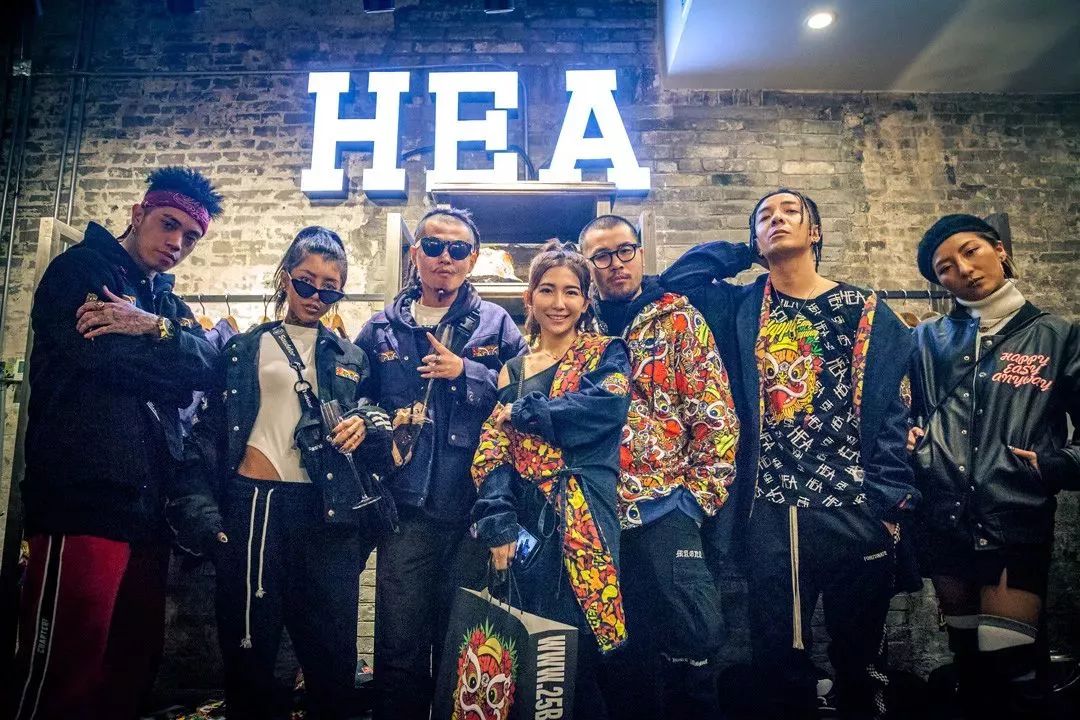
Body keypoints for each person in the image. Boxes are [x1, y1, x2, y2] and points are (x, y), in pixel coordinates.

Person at [661, 189, 918, 719]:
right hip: (772, 508)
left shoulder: (864, 308)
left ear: (815, 231)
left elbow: (893, 407)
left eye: (789, 213)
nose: (776, 220)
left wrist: (888, 499)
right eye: (765, 217)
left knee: (860, 656)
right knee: (778, 656)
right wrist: (744, 251)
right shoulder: (740, 305)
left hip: (853, 503)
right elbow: (678, 282)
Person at [9, 167, 223, 720]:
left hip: (149, 512)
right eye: (168, 224)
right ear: (138, 212)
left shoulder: (165, 305)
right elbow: (103, 355)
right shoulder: (80, 270)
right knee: (64, 671)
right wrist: (168, 368)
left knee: (129, 671)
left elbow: (209, 367)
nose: (176, 243)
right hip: (81, 501)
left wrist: (152, 328)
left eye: (191, 237)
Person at [169, 226, 392, 719]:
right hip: (255, 504)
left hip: (326, 511)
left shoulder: (351, 355)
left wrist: (366, 422)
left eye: (330, 289)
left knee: (332, 659)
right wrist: (205, 518)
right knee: (249, 653)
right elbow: (208, 435)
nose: (315, 296)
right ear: (286, 277)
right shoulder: (242, 348)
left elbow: (376, 421)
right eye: (306, 282)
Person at [355, 207, 528, 720]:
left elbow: (524, 396)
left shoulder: (497, 323)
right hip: (405, 513)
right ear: (415, 254)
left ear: (472, 259)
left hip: (473, 511)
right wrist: (381, 424)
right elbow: (356, 400)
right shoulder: (381, 328)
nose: (444, 257)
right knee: (398, 648)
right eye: (433, 246)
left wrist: (466, 371)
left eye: (457, 249)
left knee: (464, 648)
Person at [909, 214, 1080, 717]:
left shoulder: (1057, 335)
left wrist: (1055, 465)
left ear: (999, 250)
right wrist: (912, 438)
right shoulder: (927, 339)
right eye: (945, 267)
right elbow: (898, 407)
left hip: (1014, 515)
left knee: (1011, 664)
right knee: (969, 662)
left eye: (970, 251)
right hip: (942, 516)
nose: (962, 269)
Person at [579, 215, 739, 720]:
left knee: (692, 639)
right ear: (588, 264)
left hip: (665, 507)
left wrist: (693, 501)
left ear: (641, 252)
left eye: (624, 250)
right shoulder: (577, 324)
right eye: (601, 256)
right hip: (592, 514)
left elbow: (715, 414)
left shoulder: (678, 317)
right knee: (618, 654)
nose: (615, 263)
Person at [471, 240, 632, 718]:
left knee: (584, 651)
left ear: (585, 301)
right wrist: (498, 522)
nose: (558, 303)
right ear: (529, 298)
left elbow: (604, 409)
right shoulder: (513, 369)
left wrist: (525, 413)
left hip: (586, 514)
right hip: (525, 519)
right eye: (547, 290)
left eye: (571, 292)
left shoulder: (606, 354)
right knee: (531, 647)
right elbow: (494, 451)